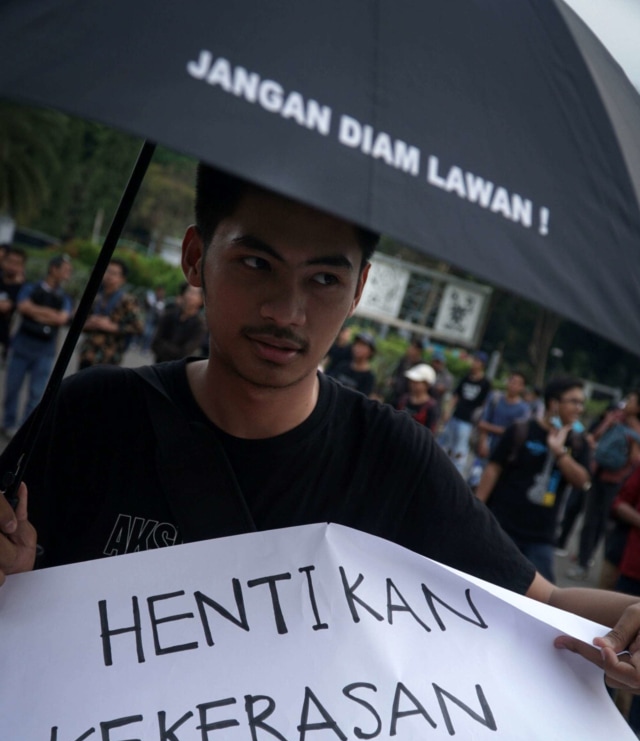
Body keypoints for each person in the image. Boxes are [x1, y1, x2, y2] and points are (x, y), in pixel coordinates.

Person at [1, 164, 640, 697]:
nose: (287, 311)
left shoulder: (392, 457)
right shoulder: (92, 415)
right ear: (196, 258)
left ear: (360, 288)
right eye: (256, 263)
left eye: (325, 279)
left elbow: (542, 599)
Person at [475, 376, 591, 581]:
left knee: (541, 600)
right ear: (554, 403)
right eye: (574, 401)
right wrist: (477, 510)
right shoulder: (520, 430)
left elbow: (582, 482)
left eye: (582, 403)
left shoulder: (578, 442)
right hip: (502, 527)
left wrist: (560, 452)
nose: (579, 408)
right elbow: (493, 469)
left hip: (541, 538)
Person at [568, 391, 640, 580]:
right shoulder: (616, 418)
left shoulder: (631, 428)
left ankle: (607, 569)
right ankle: (583, 562)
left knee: (606, 526)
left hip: (619, 482)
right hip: (600, 474)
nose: (627, 403)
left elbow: (635, 459)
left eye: (631, 400)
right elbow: (595, 436)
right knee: (591, 521)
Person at [1, 253, 73, 438]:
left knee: (36, 394)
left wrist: (36, 312)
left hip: (45, 352)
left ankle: (24, 431)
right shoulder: (31, 288)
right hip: (22, 346)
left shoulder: (64, 297)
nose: (67, 274)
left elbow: (62, 318)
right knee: (12, 389)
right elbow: (23, 306)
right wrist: (50, 315)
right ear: (53, 269)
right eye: (65, 270)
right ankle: (8, 423)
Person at [78, 258, 142, 369]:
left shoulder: (127, 301)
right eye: (107, 271)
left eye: (114, 273)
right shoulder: (95, 297)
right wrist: (91, 322)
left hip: (109, 358)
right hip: (88, 354)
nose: (109, 276)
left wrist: (113, 327)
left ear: (122, 279)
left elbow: (139, 328)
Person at [438, 350, 492, 476]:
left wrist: (480, 421)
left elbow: (485, 404)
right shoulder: (466, 378)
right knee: (446, 446)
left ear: (482, 364)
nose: (474, 363)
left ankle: (455, 475)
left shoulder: (485, 383)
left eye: (477, 361)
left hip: (469, 421)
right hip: (456, 416)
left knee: (460, 450)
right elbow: (455, 396)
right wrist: (447, 411)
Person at [152, 283, 205, 364]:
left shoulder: (200, 325)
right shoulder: (169, 315)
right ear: (183, 294)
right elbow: (155, 343)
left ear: (201, 300)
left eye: (195, 293)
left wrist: (165, 347)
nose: (190, 296)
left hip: (176, 370)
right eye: (189, 292)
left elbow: (185, 353)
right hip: (158, 364)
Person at [328, 330, 376, 396]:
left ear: (371, 351)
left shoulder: (368, 377)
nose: (358, 348)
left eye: (363, 345)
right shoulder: (342, 366)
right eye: (357, 344)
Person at [0, 246, 27, 363]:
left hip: (5, 342)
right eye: (9, 261)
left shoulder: (25, 290)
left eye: (17, 263)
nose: (12, 266)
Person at [395, 363, 438, 430]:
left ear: (427, 385)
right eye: (411, 381)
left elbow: (430, 431)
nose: (412, 384)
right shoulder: (404, 399)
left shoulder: (431, 407)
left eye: (416, 382)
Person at [385, 335, 424, 406]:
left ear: (418, 351)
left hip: (408, 399)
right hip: (395, 394)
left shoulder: (421, 366)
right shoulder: (404, 360)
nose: (409, 349)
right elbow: (397, 374)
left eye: (412, 347)